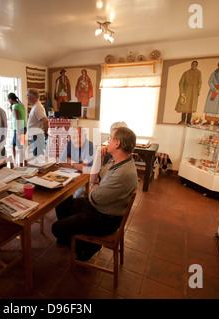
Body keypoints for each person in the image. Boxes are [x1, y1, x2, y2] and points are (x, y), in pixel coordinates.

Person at [52, 127, 139, 261]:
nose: (107, 142)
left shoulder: (122, 173)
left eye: (110, 138)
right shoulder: (115, 160)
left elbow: (93, 197)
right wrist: (98, 156)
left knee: (56, 228)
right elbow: (93, 178)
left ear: (117, 144)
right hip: (97, 207)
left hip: (104, 218)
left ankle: (88, 247)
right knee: (61, 203)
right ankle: (72, 237)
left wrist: (95, 184)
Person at [26, 88, 49, 157]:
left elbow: (45, 121)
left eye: (27, 96)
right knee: (37, 156)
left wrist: (45, 132)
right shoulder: (35, 106)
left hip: (37, 136)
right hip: (35, 136)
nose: (26, 98)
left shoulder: (38, 107)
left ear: (31, 97)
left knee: (38, 157)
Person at [8, 92, 27, 166]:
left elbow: (18, 120)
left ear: (10, 99)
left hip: (19, 128)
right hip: (23, 127)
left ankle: (20, 165)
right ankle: (16, 162)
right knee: (13, 145)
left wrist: (19, 133)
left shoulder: (16, 107)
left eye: (8, 100)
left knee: (19, 147)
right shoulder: (21, 105)